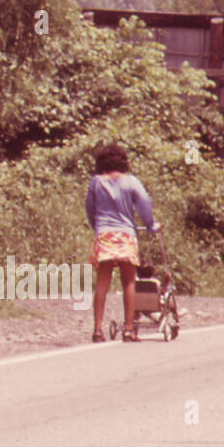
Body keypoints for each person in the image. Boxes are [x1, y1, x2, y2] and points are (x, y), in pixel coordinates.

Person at [86, 143, 160, 343]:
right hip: (126, 235)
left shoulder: (96, 182)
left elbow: (90, 210)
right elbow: (145, 204)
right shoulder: (131, 182)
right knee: (129, 282)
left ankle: (97, 330)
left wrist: (98, 229)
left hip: (104, 234)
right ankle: (128, 330)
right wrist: (151, 224)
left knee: (102, 282)